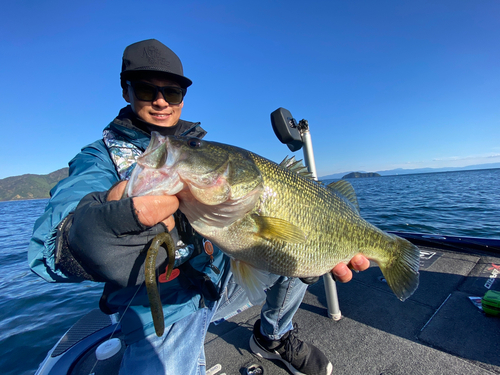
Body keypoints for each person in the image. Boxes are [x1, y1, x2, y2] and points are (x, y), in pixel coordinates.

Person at [28, 39, 370, 375]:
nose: (161, 101)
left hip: (221, 277)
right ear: (125, 91)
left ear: (182, 97)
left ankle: (273, 336)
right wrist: (81, 238)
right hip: (162, 307)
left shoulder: (201, 148)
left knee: (299, 252)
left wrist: (309, 250)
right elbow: (51, 241)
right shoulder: (98, 159)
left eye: (172, 92)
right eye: (146, 90)